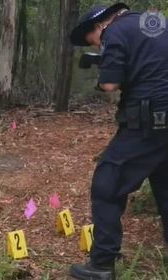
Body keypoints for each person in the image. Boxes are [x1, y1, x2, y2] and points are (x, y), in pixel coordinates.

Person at [69, 3, 168, 280]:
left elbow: (111, 84)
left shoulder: (114, 31)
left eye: (96, 42)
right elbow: (148, 63)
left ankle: (101, 264)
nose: (101, 47)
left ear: (99, 26)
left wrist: (102, 77)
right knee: (164, 185)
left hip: (150, 121)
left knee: (107, 183)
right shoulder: (156, 22)